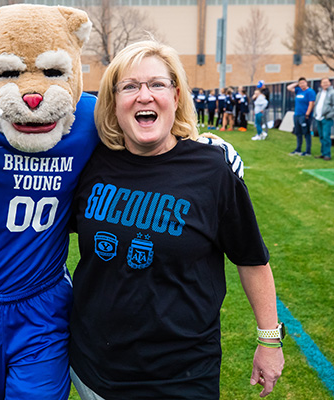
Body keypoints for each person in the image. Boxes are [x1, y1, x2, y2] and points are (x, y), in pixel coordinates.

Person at [69, 40, 284, 400]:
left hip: (181, 375)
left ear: (177, 95)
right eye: (130, 86)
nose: (144, 96)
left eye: (157, 84)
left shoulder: (213, 169)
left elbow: (251, 259)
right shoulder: (92, 164)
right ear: (113, 101)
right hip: (93, 369)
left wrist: (269, 340)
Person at [313, 77, 334, 160]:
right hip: (318, 118)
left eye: (326, 82)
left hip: (326, 119)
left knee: (326, 137)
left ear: (330, 83)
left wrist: (328, 115)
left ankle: (327, 155)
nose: (325, 84)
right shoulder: (319, 93)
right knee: (321, 136)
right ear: (321, 84)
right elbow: (317, 104)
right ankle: (323, 153)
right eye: (323, 83)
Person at [287, 77, 316, 156]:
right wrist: (297, 83)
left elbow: (311, 103)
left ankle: (308, 151)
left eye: (303, 83)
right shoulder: (298, 90)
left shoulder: (310, 92)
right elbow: (289, 87)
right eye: (300, 83)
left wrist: (307, 113)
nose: (302, 84)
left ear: (306, 83)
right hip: (297, 115)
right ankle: (298, 149)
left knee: (306, 133)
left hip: (305, 115)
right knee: (298, 133)